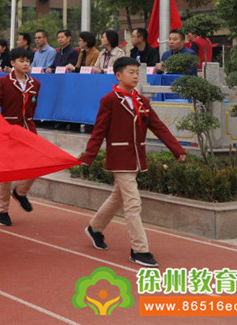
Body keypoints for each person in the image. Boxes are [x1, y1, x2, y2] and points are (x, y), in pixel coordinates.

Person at [79, 57, 187, 267]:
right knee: (133, 202)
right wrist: (88, 156)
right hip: (119, 158)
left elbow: (159, 127)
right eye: (131, 72)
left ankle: (95, 228)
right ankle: (140, 249)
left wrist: (177, 149)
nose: (136, 76)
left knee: (117, 198)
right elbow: (99, 130)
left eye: (137, 72)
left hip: (136, 157)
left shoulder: (142, 102)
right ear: (118, 75)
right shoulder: (109, 100)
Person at [0, 47, 40, 227]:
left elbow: (31, 109)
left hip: (28, 129)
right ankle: (2, 210)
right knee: (7, 171)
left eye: (27, 60)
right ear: (12, 63)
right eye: (21, 60)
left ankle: (20, 192)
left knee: (39, 162)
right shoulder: (3, 82)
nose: (25, 63)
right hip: (8, 130)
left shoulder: (35, 84)